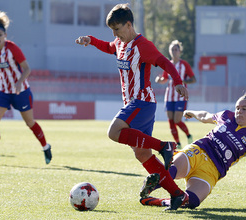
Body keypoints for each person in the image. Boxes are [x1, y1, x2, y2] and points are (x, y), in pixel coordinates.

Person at [75, 4, 190, 209]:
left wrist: (178, 82)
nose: (114, 34)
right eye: (112, 30)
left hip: (142, 102)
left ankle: (164, 146)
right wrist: (91, 40)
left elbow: (165, 62)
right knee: (142, 155)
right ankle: (178, 194)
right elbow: (108, 47)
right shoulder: (120, 43)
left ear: (129, 25)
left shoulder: (143, 45)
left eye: (117, 29)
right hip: (134, 103)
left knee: (113, 132)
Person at [140, 84, 246, 210]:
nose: (239, 112)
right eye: (237, 108)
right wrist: (191, 112)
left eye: (244, 109)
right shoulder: (226, 116)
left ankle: (156, 201)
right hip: (198, 152)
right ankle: (150, 187)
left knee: (191, 202)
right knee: (172, 169)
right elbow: (205, 116)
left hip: (212, 171)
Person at [0, 11, 52, 164]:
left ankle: (45, 147)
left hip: (20, 92)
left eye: (0, 34)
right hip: (3, 91)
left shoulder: (12, 48)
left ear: (5, 35)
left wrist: (19, 82)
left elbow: (27, 69)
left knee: (29, 123)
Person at [155, 40, 196, 149]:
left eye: (176, 49)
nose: (174, 51)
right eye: (172, 49)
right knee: (171, 120)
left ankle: (188, 135)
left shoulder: (184, 65)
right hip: (169, 96)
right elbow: (164, 79)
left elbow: (193, 79)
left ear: (180, 51)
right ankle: (177, 143)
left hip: (180, 96)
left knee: (177, 120)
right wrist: (159, 80)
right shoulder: (167, 63)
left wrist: (182, 82)